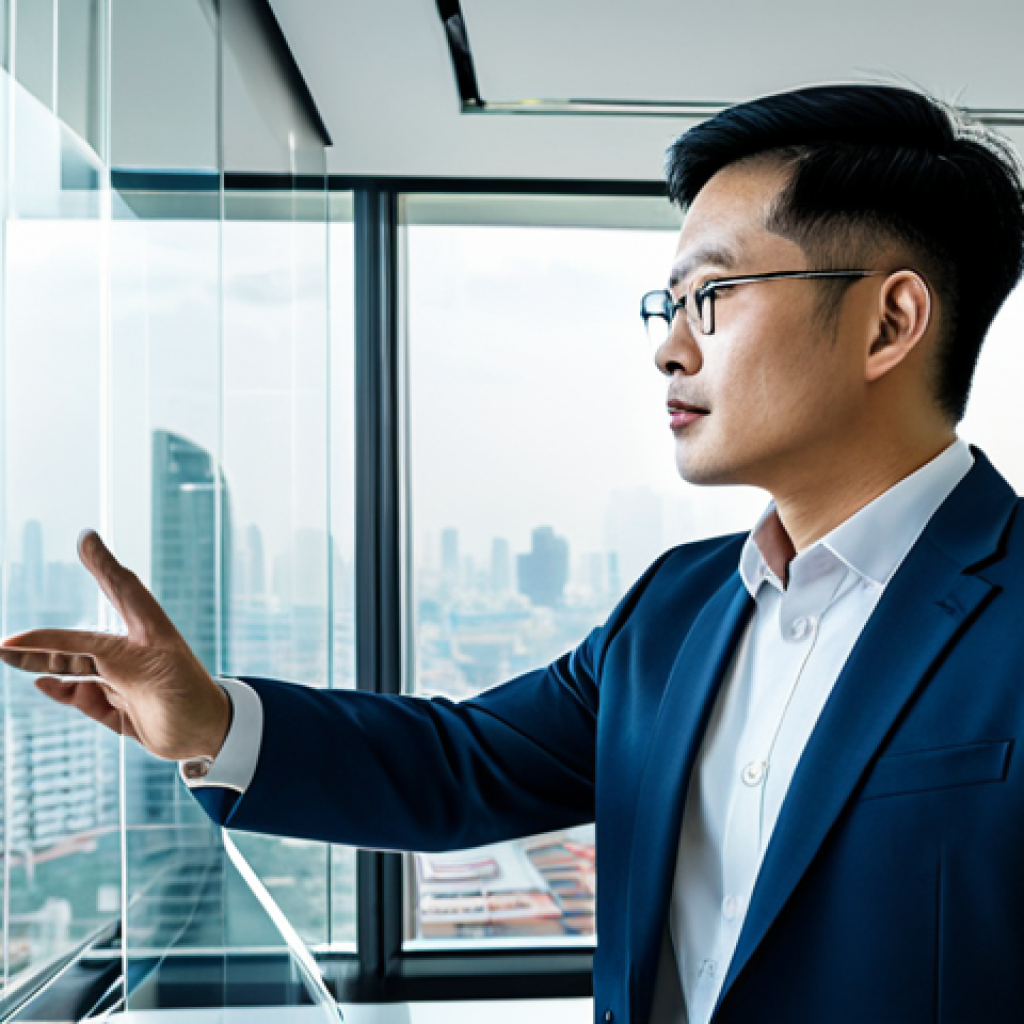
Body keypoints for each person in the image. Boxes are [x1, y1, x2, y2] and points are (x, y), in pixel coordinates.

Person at [4, 82, 1024, 1024]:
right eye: (668, 306)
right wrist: (212, 723)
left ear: (888, 322)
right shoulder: (674, 608)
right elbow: (464, 764)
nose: (668, 348)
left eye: (712, 296)